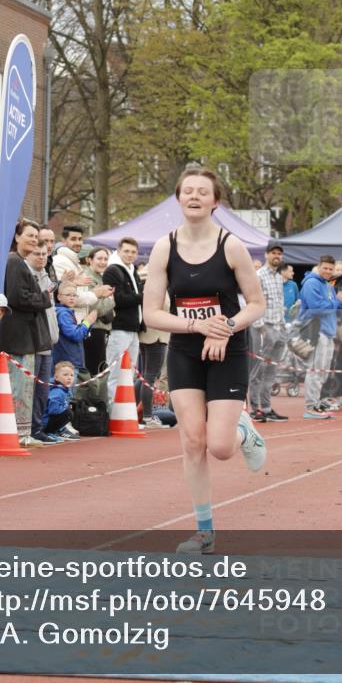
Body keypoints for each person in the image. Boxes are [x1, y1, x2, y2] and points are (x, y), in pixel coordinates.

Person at [143, 167, 266, 555]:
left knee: (220, 448)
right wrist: (199, 328)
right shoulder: (165, 247)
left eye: (203, 192)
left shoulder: (232, 246)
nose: (194, 197)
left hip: (227, 350)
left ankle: (242, 431)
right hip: (185, 349)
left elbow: (257, 305)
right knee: (192, 441)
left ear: (215, 201)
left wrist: (224, 327)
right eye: (188, 191)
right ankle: (204, 531)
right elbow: (152, 314)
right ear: (178, 198)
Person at [0, 219, 53, 447]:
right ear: (17, 236)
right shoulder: (14, 262)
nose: (33, 239)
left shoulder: (17, 262)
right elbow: (18, 297)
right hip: (18, 336)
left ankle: (22, 431)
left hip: (25, 336)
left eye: (35, 235)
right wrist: (45, 299)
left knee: (25, 386)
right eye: (29, 235)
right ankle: (18, 432)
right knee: (19, 386)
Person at [298, 255, 342, 419]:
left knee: (323, 372)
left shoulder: (329, 286)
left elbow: (337, 311)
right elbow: (317, 308)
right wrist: (337, 301)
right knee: (315, 370)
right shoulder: (311, 283)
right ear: (319, 266)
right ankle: (310, 406)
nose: (328, 271)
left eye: (331, 269)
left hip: (328, 332)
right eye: (326, 268)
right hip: (316, 332)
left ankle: (317, 402)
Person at [25, 241, 62, 445]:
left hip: (48, 339)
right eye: (36, 254)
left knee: (43, 388)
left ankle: (37, 427)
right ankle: (28, 427)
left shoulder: (46, 276)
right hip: (34, 340)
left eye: (44, 254)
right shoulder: (27, 275)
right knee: (32, 385)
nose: (41, 257)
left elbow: (51, 310)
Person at [249, 240, 289, 422]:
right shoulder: (258, 275)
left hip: (278, 328)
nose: (276, 256)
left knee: (271, 371)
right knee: (258, 369)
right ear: (266, 254)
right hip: (263, 328)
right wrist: (261, 328)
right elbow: (254, 302)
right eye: (273, 253)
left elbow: (279, 304)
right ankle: (255, 407)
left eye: (279, 253)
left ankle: (266, 407)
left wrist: (283, 326)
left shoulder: (279, 277)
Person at [103, 237, 144, 406]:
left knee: (129, 373)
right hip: (118, 328)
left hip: (134, 328)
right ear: (119, 251)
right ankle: (112, 411)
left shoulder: (132, 270)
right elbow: (118, 299)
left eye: (133, 252)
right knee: (115, 372)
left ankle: (125, 412)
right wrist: (142, 297)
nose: (130, 255)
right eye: (126, 251)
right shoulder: (113, 270)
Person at [137, 264, 169, 428]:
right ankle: (148, 417)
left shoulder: (147, 283)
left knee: (145, 375)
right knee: (150, 376)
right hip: (155, 335)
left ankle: (140, 413)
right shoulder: (155, 286)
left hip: (151, 334)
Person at [52, 282, 97, 381]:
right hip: (67, 363)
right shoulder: (63, 313)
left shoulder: (66, 312)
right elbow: (75, 335)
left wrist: (87, 323)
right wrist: (87, 323)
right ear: (59, 297)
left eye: (74, 295)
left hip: (70, 361)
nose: (72, 298)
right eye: (68, 295)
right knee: (67, 394)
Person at [81, 246, 115, 376]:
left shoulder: (100, 278)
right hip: (92, 329)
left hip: (101, 329)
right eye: (99, 258)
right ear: (89, 260)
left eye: (105, 259)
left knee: (100, 369)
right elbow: (96, 308)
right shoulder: (88, 278)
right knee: (93, 370)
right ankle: (90, 396)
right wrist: (111, 299)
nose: (103, 262)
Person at [42, 361, 81, 440]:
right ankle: (49, 432)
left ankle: (55, 431)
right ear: (56, 377)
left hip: (46, 420)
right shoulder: (58, 391)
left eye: (72, 375)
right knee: (68, 413)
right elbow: (53, 410)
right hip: (44, 422)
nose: (69, 378)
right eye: (65, 375)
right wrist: (66, 406)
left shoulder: (62, 389)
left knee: (68, 411)